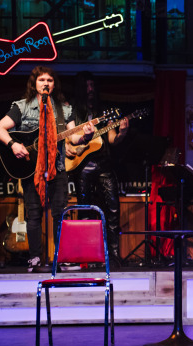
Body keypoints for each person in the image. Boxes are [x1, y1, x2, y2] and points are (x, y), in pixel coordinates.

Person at [0, 66, 95, 273]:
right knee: (34, 214)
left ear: (54, 84)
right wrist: (13, 144)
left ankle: (62, 257)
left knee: (60, 213)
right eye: (41, 80)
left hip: (57, 168)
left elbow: (73, 137)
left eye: (49, 80)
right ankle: (35, 259)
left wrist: (86, 135)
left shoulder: (64, 109)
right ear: (34, 84)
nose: (45, 83)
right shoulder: (22, 107)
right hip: (31, 169)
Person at [65, 71, 129, 269]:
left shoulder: (104, 112)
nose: (91, 90)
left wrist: (123, 132)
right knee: (85, 209)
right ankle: (87, 255)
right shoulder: (73, 110)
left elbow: (111, 139)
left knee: (112, 208)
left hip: (104, 164)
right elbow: (71, 138)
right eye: (87, 86)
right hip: (82, 166)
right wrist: (77, 143)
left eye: (93, 86)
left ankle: (114, 254)